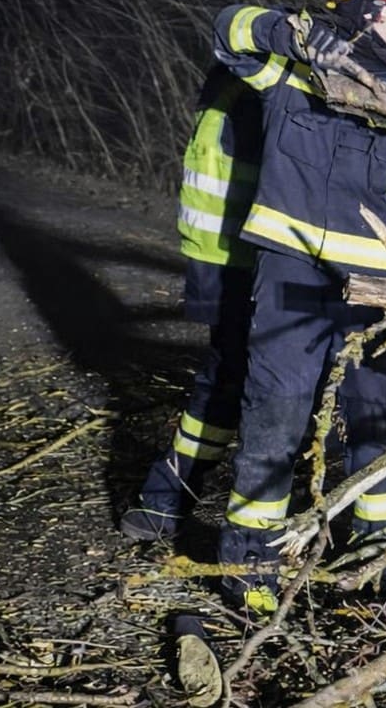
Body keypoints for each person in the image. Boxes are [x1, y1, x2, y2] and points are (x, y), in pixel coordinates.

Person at [211, 0, 386, 616]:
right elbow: (227, 30)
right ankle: (249, 568)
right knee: (278, 412)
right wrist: (291, 35)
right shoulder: (292, 65)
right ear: (366, 5)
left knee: (378, 419)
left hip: (374, 286)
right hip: (291, 271)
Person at [120, 64, 262, 542]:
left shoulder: (240, 68)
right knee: (233, 378)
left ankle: (167, 500)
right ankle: (169, 499)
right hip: (243, 257)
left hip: (226, 252)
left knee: (229, 377)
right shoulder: (267, 72)